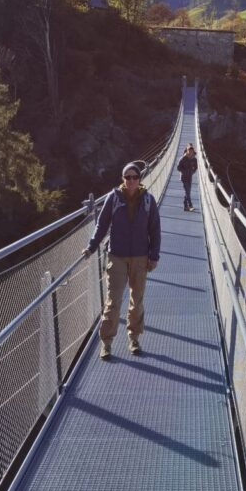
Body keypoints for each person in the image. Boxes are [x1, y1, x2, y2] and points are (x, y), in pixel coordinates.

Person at [83, 161, 161, 360]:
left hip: (140, 257)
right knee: (113, 301)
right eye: (128, 177)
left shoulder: (148, 200)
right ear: (123, 179)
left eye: (135, 177)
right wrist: (92, 247)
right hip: (116, 256)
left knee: (137, 300)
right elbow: (101, 226)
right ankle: (106, 343)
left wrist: (154, 256)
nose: (132, 181)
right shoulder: (113, 198)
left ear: (140, 178)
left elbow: (154, 230)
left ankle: (134, 339)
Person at [177, 143, 198, 211]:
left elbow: (196, 167)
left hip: (190, 177)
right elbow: (178, 168)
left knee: (187, 192)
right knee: (187, 192)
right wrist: (184, 171)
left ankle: (185, 207)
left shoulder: (194, 159)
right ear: (187, 150)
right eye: (189, 150)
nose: (190, 151)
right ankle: (190, 206)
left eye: (191, 150)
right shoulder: (183, 158)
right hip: (184, 177)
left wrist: (192, 172)